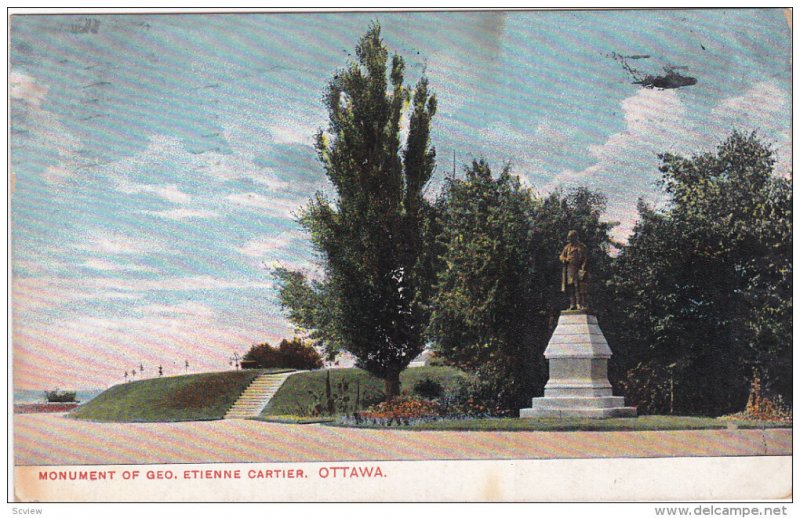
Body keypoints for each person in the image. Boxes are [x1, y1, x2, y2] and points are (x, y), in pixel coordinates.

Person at [559, 230, 588, 310]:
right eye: (569, 238)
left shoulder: (581, 247)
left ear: (575, 237)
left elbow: (585, 258)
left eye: (571, 237)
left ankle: (579, 304)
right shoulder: (567, 247)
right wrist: (565, 259)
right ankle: (572, 304)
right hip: (570, 269)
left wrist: (583, 266)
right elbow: (561, 257)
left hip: (578, 269)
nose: (570, 239)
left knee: (578, 287)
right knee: (570, 287)